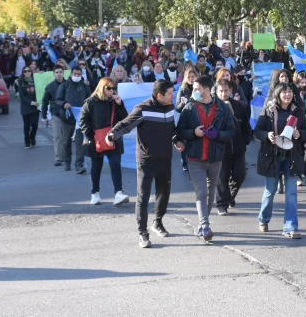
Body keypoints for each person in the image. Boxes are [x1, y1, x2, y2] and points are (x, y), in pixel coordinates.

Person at [108, 79, 179, 248]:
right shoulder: (143, 108)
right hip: (146, 160)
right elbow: (125, 124)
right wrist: (111, 135)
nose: (173, 95)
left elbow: (172, 129)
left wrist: (177, 140)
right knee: (143, 197)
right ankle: (142, 232)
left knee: (164, 193)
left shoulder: (170, 107)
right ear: (159, 95)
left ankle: (158, 222)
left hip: (165, 158)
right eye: (170, 93)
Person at [176, 76, 234, 241]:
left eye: (196, 89)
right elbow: (180, 130)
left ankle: (202, 224)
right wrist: (193, 133)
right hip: (195, 157)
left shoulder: (222, 108)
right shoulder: (189, 107)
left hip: (215, 157)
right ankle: (206, 226)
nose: (193, 92)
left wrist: (218, 135)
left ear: (207, 90)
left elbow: (231, 131)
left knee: (210, 191)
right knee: (201, 192)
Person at [255, 83, 306, 238]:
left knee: (291, 193)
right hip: (272, 156)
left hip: (292, 157)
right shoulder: (269, 109)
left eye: (290, 91)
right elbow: (257, 131)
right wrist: (268, 135)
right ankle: (263, 219)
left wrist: (300, 134)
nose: (288, 94)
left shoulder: (297, 110)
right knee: (270, 190)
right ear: (278, 94)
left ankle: (291, 227)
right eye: (284, 92)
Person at [79, 78, 131, 206]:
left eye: (113, 88)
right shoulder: (91, 102)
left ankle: (118, 193)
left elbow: (125, 119)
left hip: (113, 138)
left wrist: (120, 105)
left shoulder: (115, 102)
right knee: (96, 167)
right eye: (109, 88)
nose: (111, 91)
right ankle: (95, 193)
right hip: (96, 140)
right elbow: (83, 119)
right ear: (102, 88)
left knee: (115, 165)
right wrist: (91, 135)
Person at [215, 79, 253, 215]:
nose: (224, 93)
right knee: (222, 177)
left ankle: (230, 196)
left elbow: (246, 126)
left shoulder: (238, 106)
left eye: (226, 91)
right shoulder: (213, 106)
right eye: (221, 91)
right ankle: (221, 204)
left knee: (240, 174)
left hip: (238, 148)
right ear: (216, 91)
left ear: (231, 91)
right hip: (220, 148)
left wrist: (246, 140)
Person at [41, 65, 68, 166]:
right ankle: (58, 157)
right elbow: (44, 102)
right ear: (53, 74)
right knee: (57, 136)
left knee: (66, 136)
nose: (59, 74)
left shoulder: (68, 84)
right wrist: (44, 116)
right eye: (56, 72)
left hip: (68, 114)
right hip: (56, 114)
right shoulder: (50, 86)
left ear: (63, 73)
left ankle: (66, 155)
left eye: (60, 72)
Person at [17, 66, 40, 148]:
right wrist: (31, 102)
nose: (27, 73)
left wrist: (41, 75)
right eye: (25, 71)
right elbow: (21, 96)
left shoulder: (36, 79)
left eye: (29, 71)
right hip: (26, 106)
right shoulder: (20, 81)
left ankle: (32, 137)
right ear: (23, 73)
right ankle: (27, 140)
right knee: (26, 125)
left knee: (35, 124)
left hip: (35, 106)